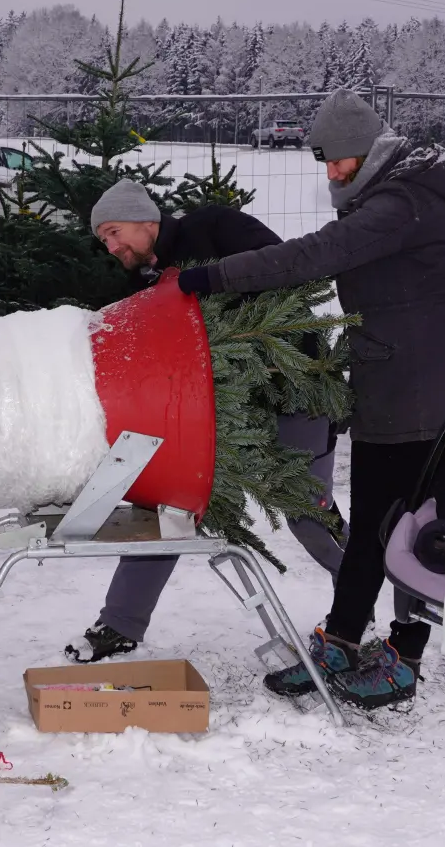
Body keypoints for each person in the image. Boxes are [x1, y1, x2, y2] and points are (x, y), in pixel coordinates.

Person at [175, 89, 445, 709]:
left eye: (337, 160)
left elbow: (317, 255)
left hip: (428, 397)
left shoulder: (404, 205)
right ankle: (343, 640)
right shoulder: (388, 199)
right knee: (372, 524)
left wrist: (212, 276)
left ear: (368, 153)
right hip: (390, 388)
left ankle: (403, 656)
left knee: (413, 529)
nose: (330, 173)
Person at [64, 179, 349, 663]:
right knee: (170, 511)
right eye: (104, 241)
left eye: (114, 233)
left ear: (146, 219)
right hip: (214, 417)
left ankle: (357, 604)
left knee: (309, 513)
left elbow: (290, 270)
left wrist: (214, 280)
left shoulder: (213, 228)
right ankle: (119, 624)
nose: (111, 248)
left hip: (291, 392)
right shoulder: (146, 284)